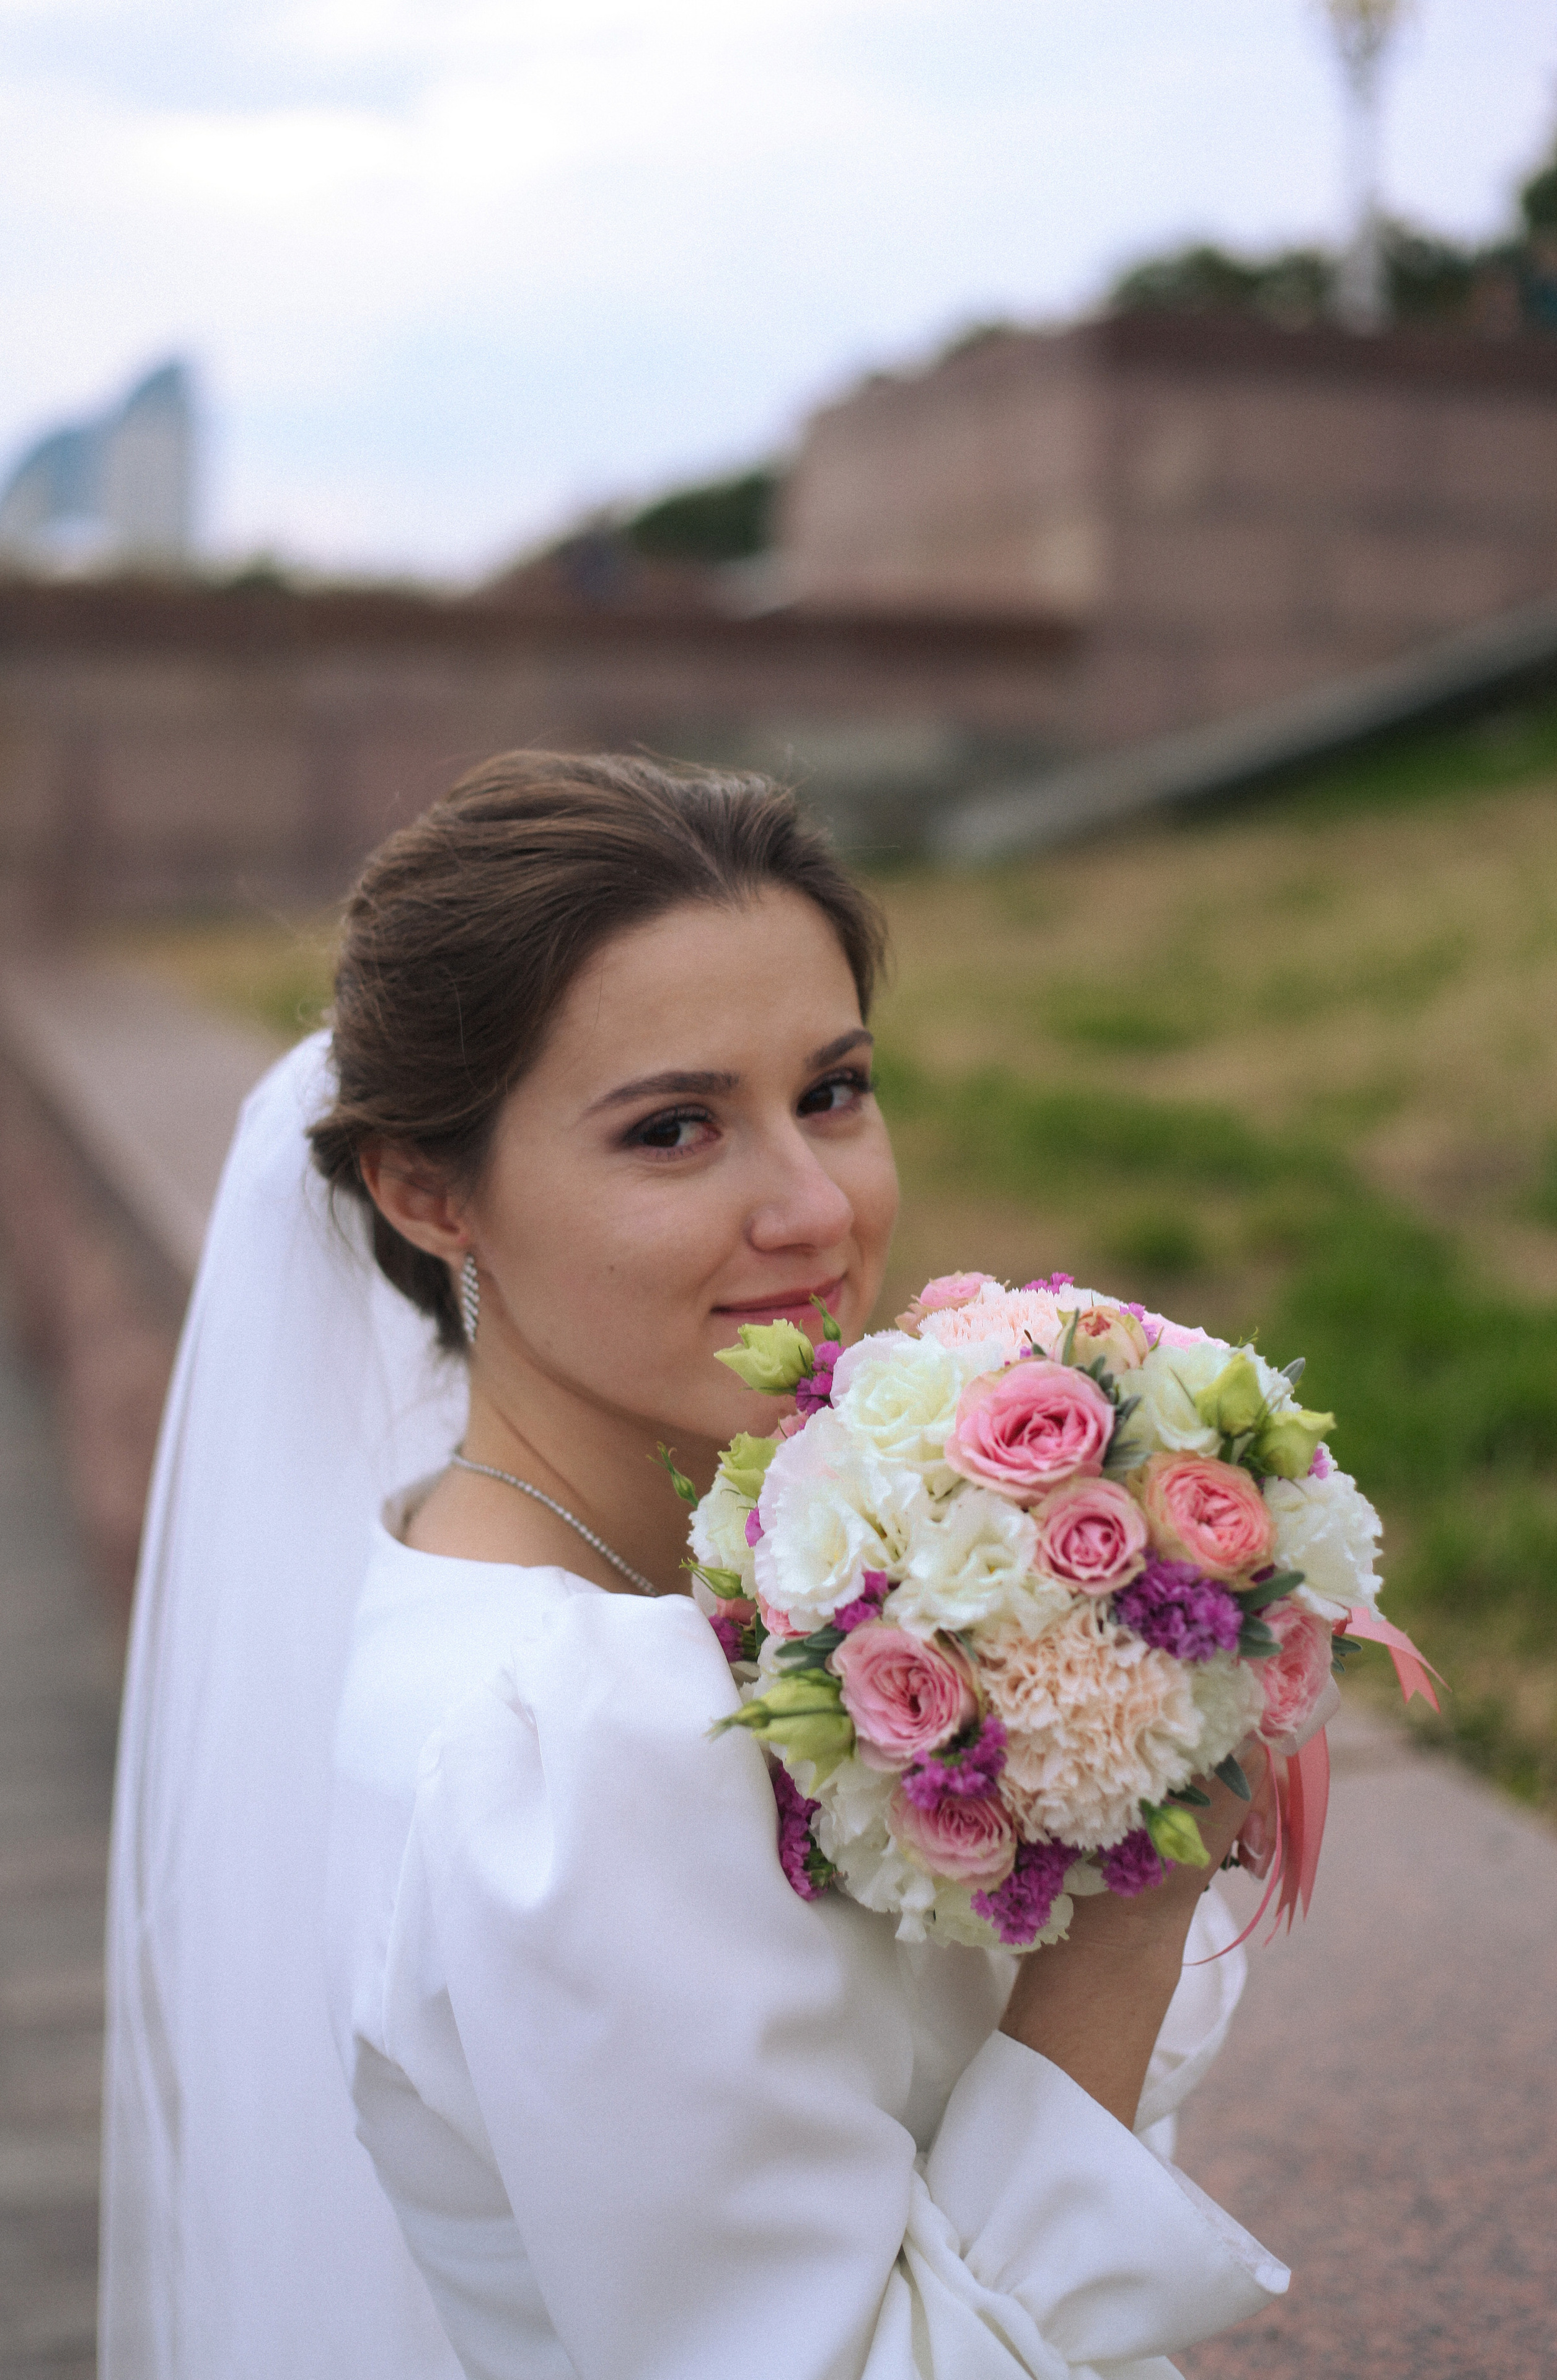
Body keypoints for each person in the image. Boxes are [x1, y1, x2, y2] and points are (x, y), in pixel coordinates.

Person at [102, 753, 1286, 2380]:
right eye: (675, 1129)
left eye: (833, 1092)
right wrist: (1131, 1914)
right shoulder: (578, 1734)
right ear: (427, 1185)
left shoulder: (628, 1584)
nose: (814, 1208)